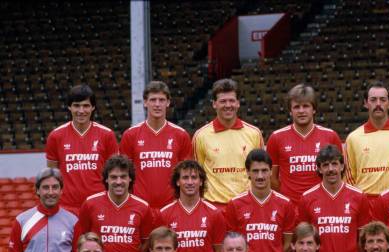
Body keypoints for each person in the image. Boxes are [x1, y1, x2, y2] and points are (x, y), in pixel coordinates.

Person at [79, 155, 155, 252]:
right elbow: (82, 238)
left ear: (130, 178)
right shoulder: (90, 204)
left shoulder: (143, 207)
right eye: (114, 177)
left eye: (123, 176)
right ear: (106, 179)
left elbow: (146, 241)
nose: (118, 181)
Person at [45, 84, 119, 215]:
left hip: (99, 206)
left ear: (93, 107)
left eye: (85, 106)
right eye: (76, 105)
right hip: (66, 208)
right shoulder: (56, 136)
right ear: (69, 107)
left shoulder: (107, 135)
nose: (81, 110)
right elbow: (52, 176)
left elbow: (115, 174)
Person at [120, 80, 192, 210]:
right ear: (145, 102)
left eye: (161, 100)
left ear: (168, 102)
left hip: (172, 207)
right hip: (139, 207)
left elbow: (187, 176)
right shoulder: (130, 135)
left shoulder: (181, 135)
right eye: (153, 100)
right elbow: (124, 175)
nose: (157, 104)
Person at [267, 84, 343, 204]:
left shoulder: (330, 136)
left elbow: (340, 173)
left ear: (314, 109)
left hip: (322, 205)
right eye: (296, 107)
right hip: (290, 207)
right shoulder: (276, 138)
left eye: (306, 106)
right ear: (290, 111)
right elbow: (272, 178)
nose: (301, 111)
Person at [193, 78, 264, 207]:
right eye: (222, 101)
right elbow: (197, 175)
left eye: (232, 100)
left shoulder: (254, 133)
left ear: (238, 103)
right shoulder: (201, 136)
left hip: (247, 204)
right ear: (214, 104)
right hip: (214, 206)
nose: (228, 105)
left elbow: (261, 172)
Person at [298, 145, 371, 252]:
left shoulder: (359, 197)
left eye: (334, 164)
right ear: (319, 169)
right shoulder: (307, 198)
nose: (330, 169)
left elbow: (363, 237)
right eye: (325, 165)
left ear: (342, 166)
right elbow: (303, 238)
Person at [345, 80, 389, 205]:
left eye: (383, 100)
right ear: (365, 103)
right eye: (373, 100)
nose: (378, 104)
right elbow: (349, 179)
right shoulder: (353, 138)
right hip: (366, 203)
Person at [225, 149, 296, 252]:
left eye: (264, 171)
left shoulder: (286, 204)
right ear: (247, 172)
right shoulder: (235, 204)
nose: (260, 176)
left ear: (271, 172)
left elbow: (288, 243)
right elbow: (232, 244)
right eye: (255, 171)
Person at [159, 160, 225, 252]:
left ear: (201, 182)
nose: (190, 182)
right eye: (185, 178)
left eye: (194, 177)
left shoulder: (215, 213)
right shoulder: (164, 214)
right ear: (178, 182)